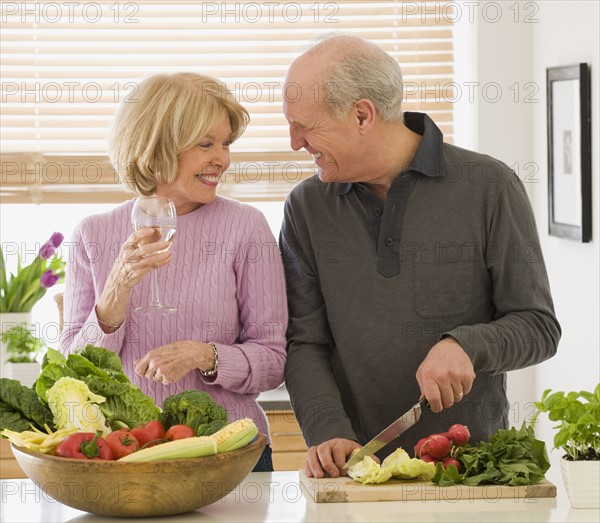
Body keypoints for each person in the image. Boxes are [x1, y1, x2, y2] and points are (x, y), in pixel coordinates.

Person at [279, 35, 561, 479]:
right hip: (356, 475)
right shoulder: (306, 207)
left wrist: (466, 344)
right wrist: (326, 429)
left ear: (361, 115)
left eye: (305, 126)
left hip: (470, 472)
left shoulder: (489, 186)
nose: (295, 142)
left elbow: (538, 326)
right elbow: (305, 340)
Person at [59, 72, 288, 472]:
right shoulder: (92, 235)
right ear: (158, 146)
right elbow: (74, 373)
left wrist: (203, 354)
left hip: (228, 454)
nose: (223, 158)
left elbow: (273, 360)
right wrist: (115, 292)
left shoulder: (246, 228)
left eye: (226, 143)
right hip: (124, 454)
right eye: (206, 143)